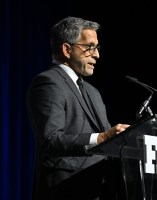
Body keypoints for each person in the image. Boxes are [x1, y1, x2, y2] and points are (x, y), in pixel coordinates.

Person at [26, 16, 130, 200]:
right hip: (64, 191)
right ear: (67, 49)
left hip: (99, 190)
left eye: (97, 48)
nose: (97, 55)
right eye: (89, 47)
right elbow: (51, 141)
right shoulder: (49, 82)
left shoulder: (93, 92)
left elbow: (108, 142)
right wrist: (103, 137)